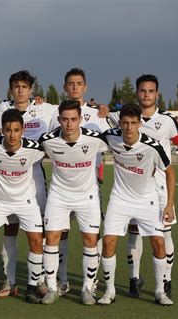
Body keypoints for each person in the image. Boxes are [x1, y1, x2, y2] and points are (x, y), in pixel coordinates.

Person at [108, 74, 178, 299]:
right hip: (134, 185)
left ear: (157, 94)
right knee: (134, 234)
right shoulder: (123, 116)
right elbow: (98, 118)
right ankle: (134, 279)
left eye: (151, 91)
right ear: (137, 93)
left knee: (164, 234)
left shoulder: (167, 120)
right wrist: (99, 108)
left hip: (161, 185)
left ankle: (166, 281)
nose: (146, 94)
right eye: (142, 90)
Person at [97, 104, 175, 307]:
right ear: (119, 122)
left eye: (133, 123)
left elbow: (170, 172)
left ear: (140, 123)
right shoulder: (111, 136)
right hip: (120, 199)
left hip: (147, 200)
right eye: (125, 123)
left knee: (158, 243)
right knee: (108, 242)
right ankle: (110, 290)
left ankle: (160, 291)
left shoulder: (152, 145)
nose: (129, 127)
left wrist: (168, 204)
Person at [0, 70, 56, 297]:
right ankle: (9, 281)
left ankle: (38, 280)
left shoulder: (45, 110)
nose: (20, 91)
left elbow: (72, 118)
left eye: (24, 87)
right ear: (11, 88)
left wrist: (103, 110)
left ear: (31, 90)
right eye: (16, 86)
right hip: (7, 181)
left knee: (37, 233)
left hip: (35, 179)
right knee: (10, 230)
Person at [39, 100, 108, 306]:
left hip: (87, 197)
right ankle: (52, 287)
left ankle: (88, 288)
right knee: (51, 238)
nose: (69, 124)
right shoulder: (48, 140)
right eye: (65, 119)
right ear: (59, 119)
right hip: (59, 196)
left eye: (73, 119)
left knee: (90, 239)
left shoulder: (95, 139)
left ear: (80, 119)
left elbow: (121, 143)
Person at [0, 109, 45, 305]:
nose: (12, 135)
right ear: (1, 131)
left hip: (26, 201)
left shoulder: (34, 149)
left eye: (16, 130)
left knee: (36, 241)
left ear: (22, 130)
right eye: (8, 130)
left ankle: (31, 288)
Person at [50, 68, 110, 297]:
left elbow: (108, 142)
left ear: (85, 87)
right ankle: (61, 278)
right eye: (71, 84)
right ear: (65, 87)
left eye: (79, 83)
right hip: (62, 185)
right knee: (60, 234)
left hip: (89, 184)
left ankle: (90, 282)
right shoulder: (57, 112)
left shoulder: (97, 114)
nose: (75, 87)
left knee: (92, 235)